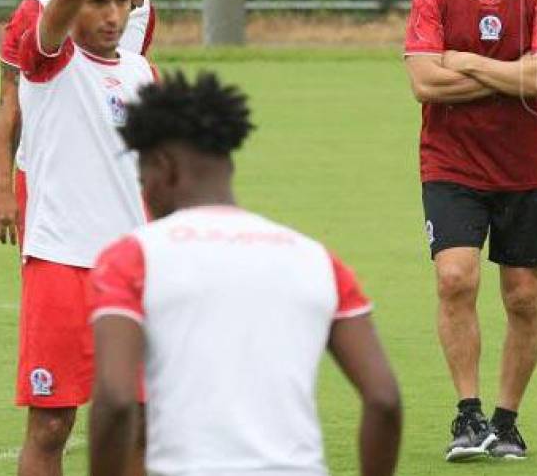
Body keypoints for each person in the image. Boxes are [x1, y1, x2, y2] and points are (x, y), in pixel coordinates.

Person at [88, 71, 402, 476]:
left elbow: (115, 398)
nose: (144, 189)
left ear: (164, 167)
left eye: (143, 175)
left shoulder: (133, 257)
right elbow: (384, 399)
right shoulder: (316, 259)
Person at [402, 0, 537, 461]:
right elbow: (425, 83)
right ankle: (467, 416)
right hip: (451, 163)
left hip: (527, 165)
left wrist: (466, 59)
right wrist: (511, 76)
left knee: (524, 297)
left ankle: (506, 420)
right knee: (455, 277)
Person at [12, 0, 166, 476]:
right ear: (71, 5)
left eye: (122, 1)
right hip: (61, 263)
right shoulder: (47, 59)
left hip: (130, 270)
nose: (110, 15)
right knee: (52, 424)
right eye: (97, 0)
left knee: (135, 421)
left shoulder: (142, 72)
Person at [0, 0, 167, 248]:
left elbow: (126, 85)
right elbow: (9, 103)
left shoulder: (142, 11)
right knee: (55, 272)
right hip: (48, 174)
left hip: (116, 172)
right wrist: (2, 185)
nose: (136, 5)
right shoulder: (37, 11)